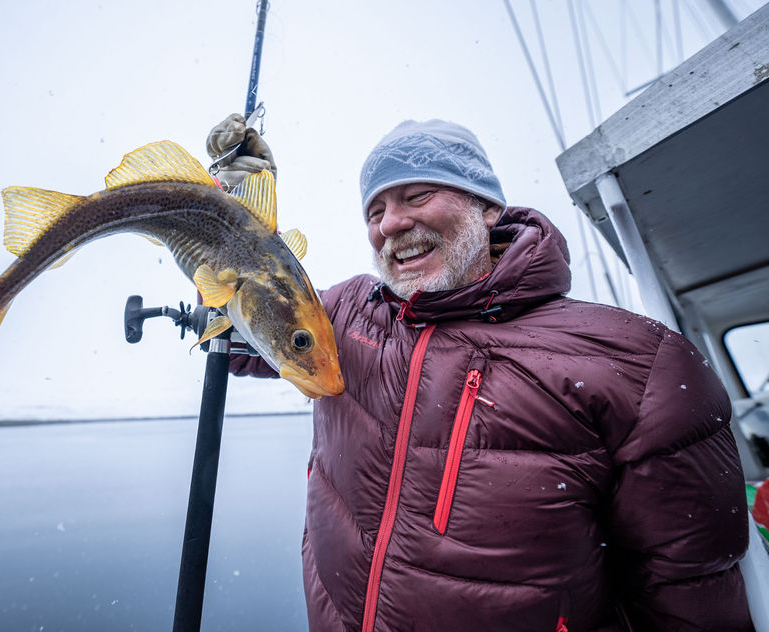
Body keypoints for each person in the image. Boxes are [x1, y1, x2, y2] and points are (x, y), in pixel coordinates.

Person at [206, 114, 755, 631]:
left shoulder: (635, 362)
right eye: (375, 212)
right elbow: (242, 338)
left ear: (487, 207)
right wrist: (229, 220)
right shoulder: (347, 313)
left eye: (417, 194)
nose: (391, 223)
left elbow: (689, 587)